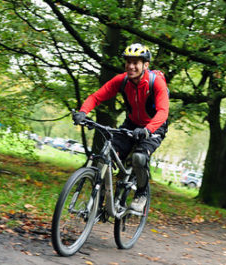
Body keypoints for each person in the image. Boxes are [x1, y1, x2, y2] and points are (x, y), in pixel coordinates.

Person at [72, 43, 169, 212]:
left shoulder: (156, 83)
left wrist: (148, 130)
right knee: (105, 155)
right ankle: (99, 198)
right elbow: (96, 97)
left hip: (154, 125)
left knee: (139, 158)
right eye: (128, 62)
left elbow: (163, 112)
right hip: (131, 124)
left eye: (136, 62)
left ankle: (141, 194)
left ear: (145, 65)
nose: (131, 66)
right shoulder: (122, 80)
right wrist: (83, 112)